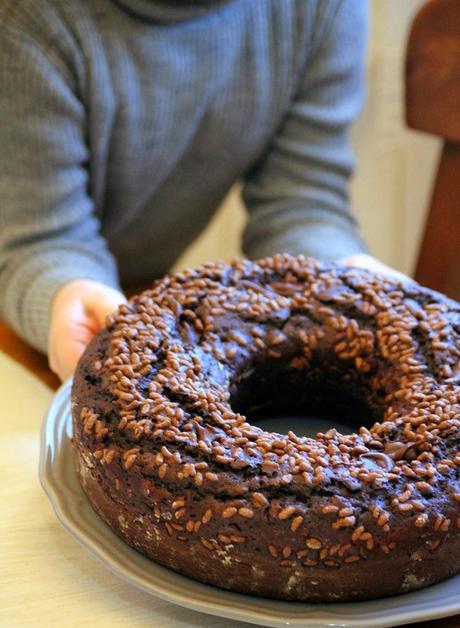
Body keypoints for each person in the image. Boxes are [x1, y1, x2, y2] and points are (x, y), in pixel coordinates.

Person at [0, 0, 402, 382]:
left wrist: (345, 272)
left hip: (130, 292)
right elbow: (38, 236)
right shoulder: (27, 21)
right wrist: (66, 289)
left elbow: (300, 199)